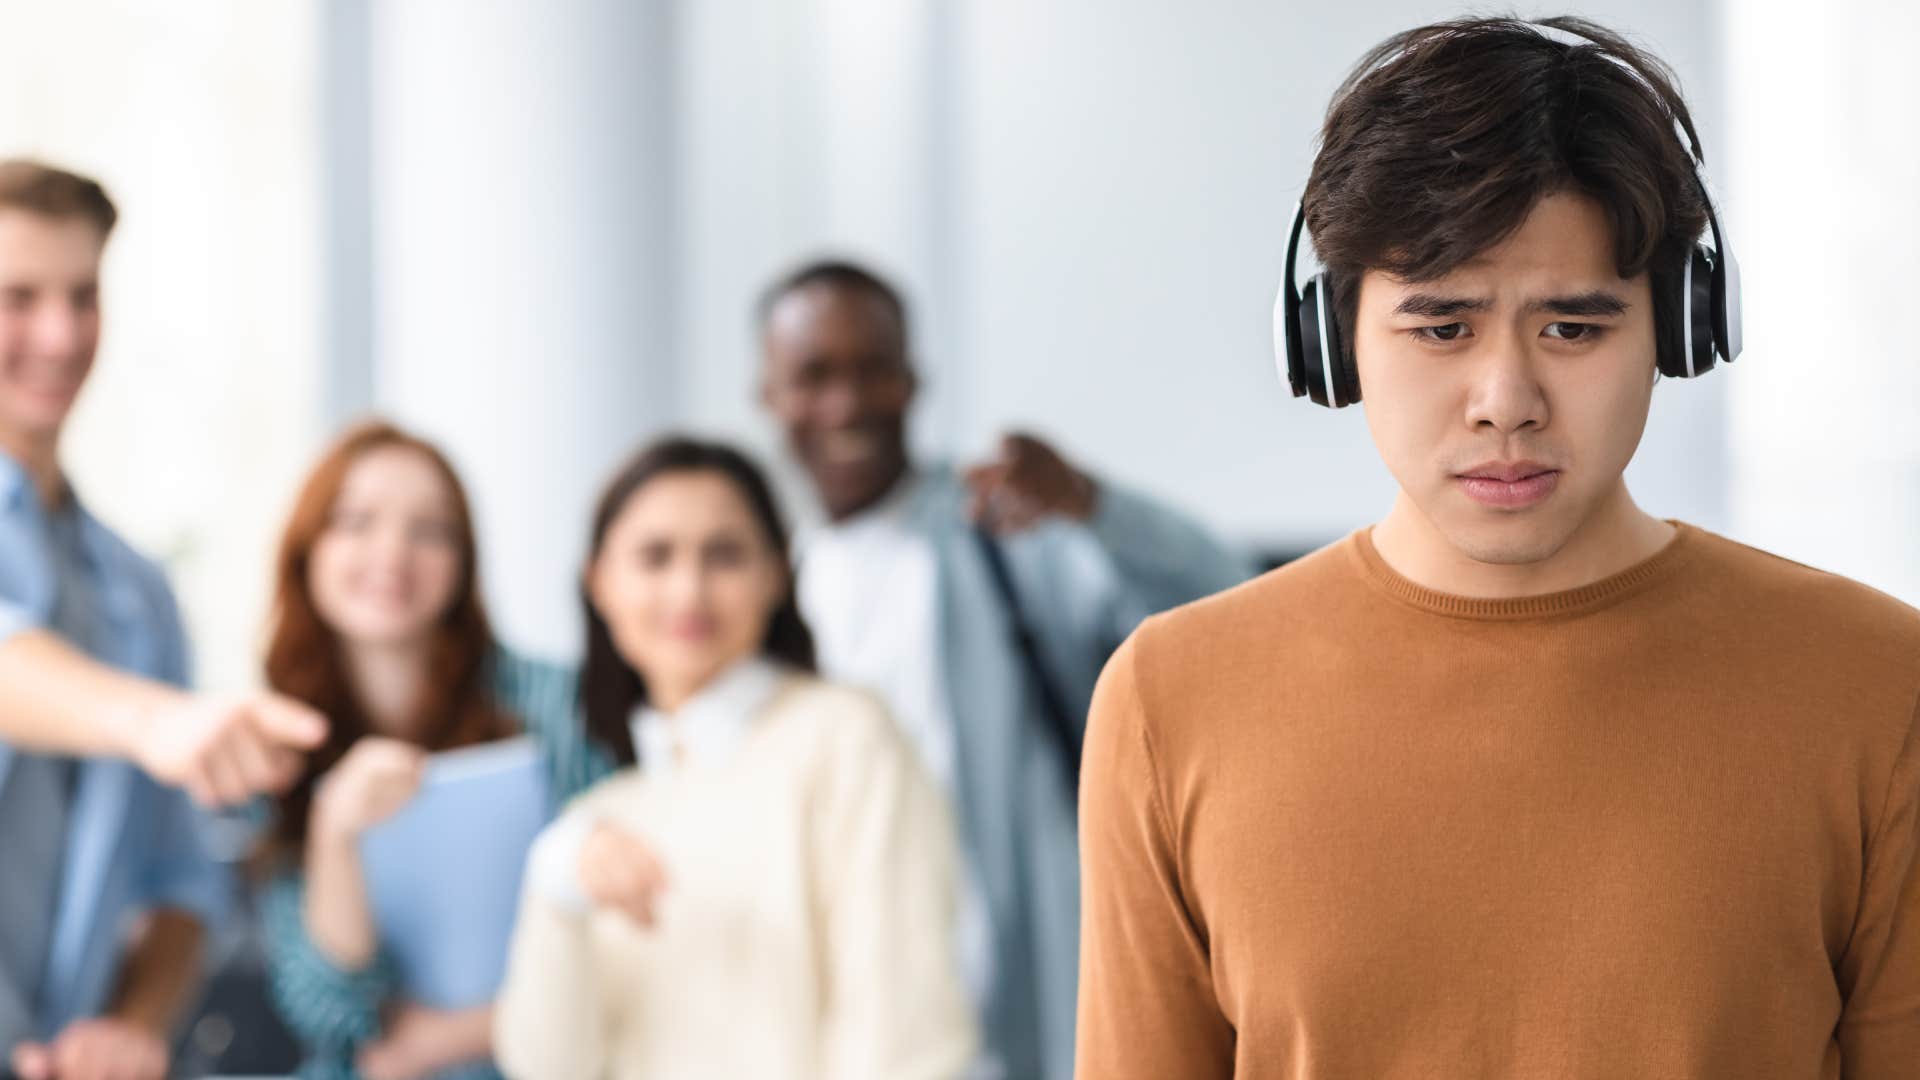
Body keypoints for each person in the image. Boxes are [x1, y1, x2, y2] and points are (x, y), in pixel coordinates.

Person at [1075, 17, 1920, 1079]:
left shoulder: (1876, 683)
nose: (1505, 403)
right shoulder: (1169, 700)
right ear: (1333, 340)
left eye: (1574, 327)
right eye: (1442, 327)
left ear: (1678, 327)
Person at [758, 260, 1251, 1079]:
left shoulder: (1004, 531)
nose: (844, 403)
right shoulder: (766, 581)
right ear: (770, 395)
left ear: (912, 380)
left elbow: (1230, 611)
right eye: (813, 375)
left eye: (871, 369)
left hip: (1019, 1018)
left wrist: (1094, 505)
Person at [495, 436, 974, 1080]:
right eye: (655, 556)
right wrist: (556, 885)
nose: (689, 589)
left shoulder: (847, 739)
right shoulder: (602, 817)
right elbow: (549, 1068)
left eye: (723, 554)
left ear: (777, 572)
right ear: (599, 582)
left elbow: (905, 1035)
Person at [0, 159, 326, 1080]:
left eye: (82, 296)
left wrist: (136, 1024)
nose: (59, 336)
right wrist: (156, 721)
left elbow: (182, 882)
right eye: (18, 298)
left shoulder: (136, 590)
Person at [253, 421, 605, 1080]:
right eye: (355, 522)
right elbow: (329, 1013)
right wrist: (336, 831)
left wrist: (452, 1036)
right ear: (307, 549)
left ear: (463, 560)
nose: (391, 554)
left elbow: (627, 945)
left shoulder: (558, 707)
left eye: (430, 530)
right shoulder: (276, 742)